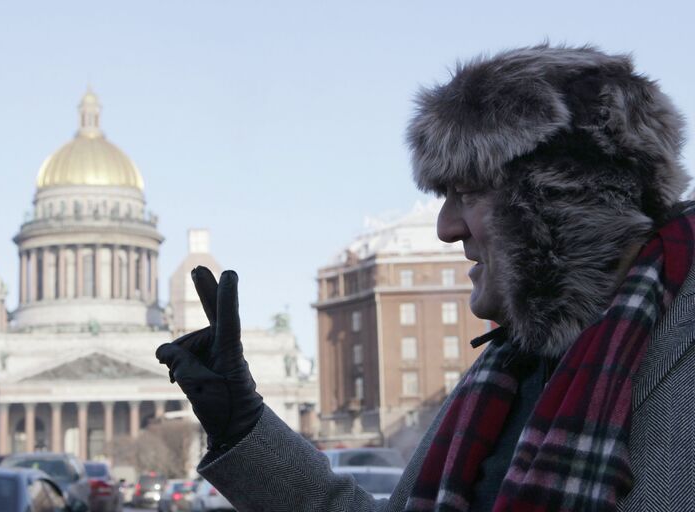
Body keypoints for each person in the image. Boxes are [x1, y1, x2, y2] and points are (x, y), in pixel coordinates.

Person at [156, 44, 695, 511]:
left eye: (468, 193)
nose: (445, 228)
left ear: (559, 200)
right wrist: (243, 426)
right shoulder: (509, 369)